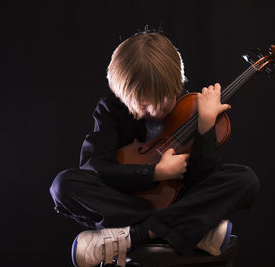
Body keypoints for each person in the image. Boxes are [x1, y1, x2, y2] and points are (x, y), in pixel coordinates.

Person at [49, 31, 259, 267]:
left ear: (177, 83)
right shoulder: (110, 109)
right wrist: (155, 174)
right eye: (145, 105)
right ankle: (190, 229)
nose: (156, 111)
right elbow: (94, 167)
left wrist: (206, 126)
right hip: (126, 202)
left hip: (179, 198)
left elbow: (203, 177)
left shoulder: (190, 108)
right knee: (63, 185)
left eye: (165, 100)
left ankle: (136, 235)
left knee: (245, 179)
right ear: (123, 95)